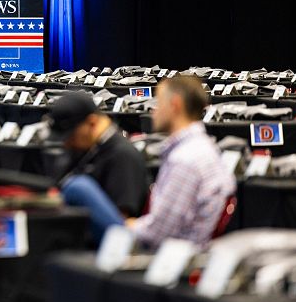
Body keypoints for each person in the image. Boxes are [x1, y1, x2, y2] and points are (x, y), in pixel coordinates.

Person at [58, 76, 237, 248]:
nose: (153, 111)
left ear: (175, 105)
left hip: (159, 254)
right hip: (171, 247)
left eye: (159, 103)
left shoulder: (186, 159)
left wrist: (128, 225)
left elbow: (158, 234)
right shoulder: (202, 149)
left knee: (78, 188)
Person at [47, 91, 149, 219]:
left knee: (78, 187)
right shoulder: (85, 149)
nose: (67, 144)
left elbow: (121, 220)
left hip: (106, 229)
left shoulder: (123, 156)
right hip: (70, 223)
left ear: (92, 123)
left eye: (71, 136)